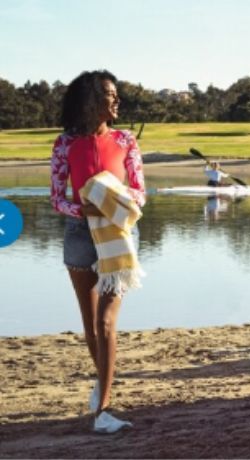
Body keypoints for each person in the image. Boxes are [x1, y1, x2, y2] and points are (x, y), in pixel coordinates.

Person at [49, 70, 145, 434]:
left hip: (117, 236)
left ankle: (103, 411)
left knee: (106, 321)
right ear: (90, 100)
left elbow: (139, 192)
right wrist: (83, 210)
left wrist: (110, 199)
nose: (116, 100)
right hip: (78, 235)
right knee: (91, 326)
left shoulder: (126, 140)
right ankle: (102, 388)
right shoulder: (64, 144)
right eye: (109, 94)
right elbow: (58, 197)